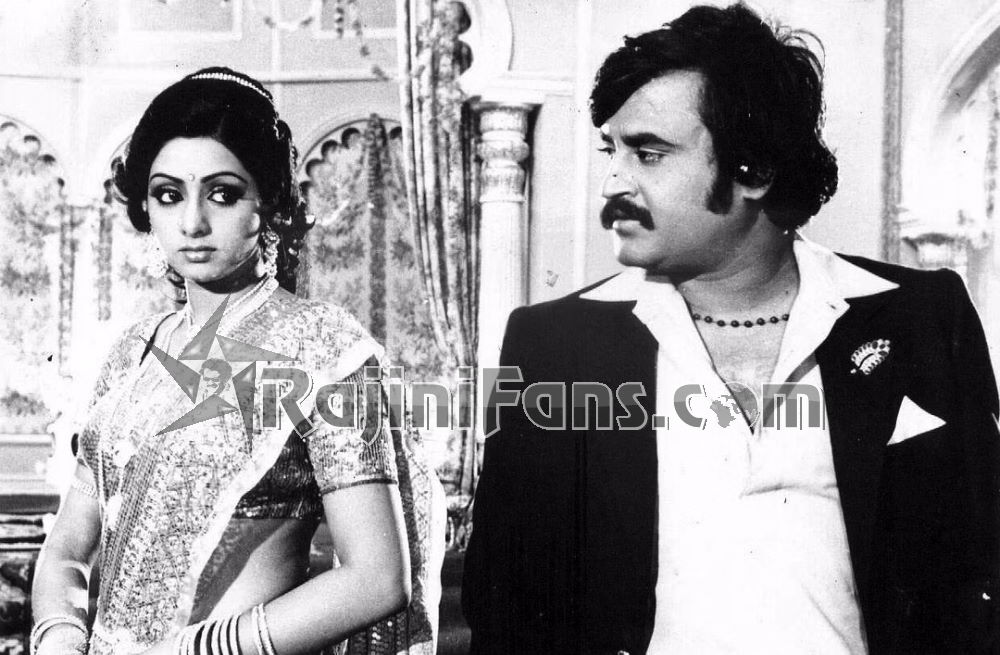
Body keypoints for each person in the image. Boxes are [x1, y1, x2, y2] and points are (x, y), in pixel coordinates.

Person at [463, 4, 1000, 654]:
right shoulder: (554, 346)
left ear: (754, 169)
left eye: (649, 154)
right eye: (612, 150)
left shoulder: (920, 317)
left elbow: (978, 575)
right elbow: (508, 611)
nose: (612, 183)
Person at [31, 67, 444, 655]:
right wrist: (60, 638)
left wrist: (194, 650)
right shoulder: (131, 353)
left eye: (222, 193)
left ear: (268, 201)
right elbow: (68, 549)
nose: (192, 223)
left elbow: (377, 580)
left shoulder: (323, 346)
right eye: (168, 195)